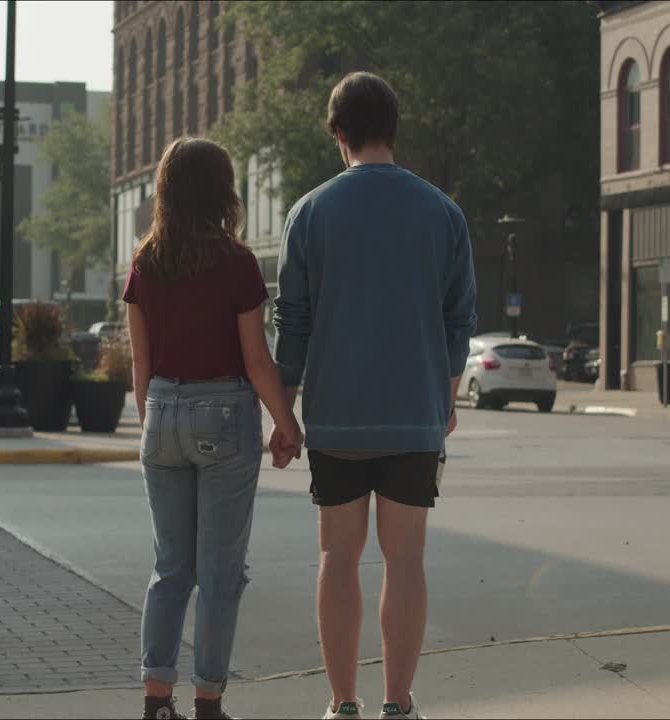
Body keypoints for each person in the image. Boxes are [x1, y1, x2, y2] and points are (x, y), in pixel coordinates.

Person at [271, 72, 478, 720]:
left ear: (339, 133)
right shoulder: (443, 212)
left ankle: (342, 704)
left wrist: (285, 414)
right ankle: (397, 705)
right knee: (405, 558)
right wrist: (442, 396)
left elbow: (294, 323)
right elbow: (458, 320)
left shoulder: (309, 213)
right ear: (394, 129)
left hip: (335, 418)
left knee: (338, 555)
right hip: (413, 417)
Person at [125, 137, 305, 720]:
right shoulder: (237, 263)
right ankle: (207, 703)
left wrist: (151, 421)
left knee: (169, 567)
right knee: (220, 572)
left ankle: (155, 703)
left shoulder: (145, 261)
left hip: (161, 412)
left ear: (165, 190)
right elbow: (256, 360)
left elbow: (140, 363)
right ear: (224, 190)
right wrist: (287, 424)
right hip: (223, 416)